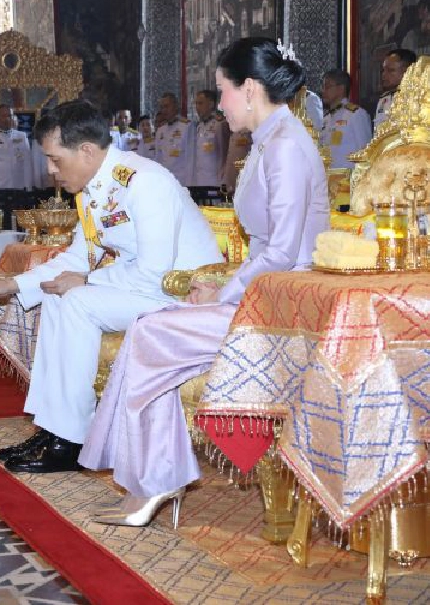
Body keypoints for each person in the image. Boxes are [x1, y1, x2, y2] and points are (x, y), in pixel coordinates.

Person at [79, 37, 330, 528]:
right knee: (151, 325)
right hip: (265, 294)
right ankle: (153, 479)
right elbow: (265, 249)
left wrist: (224, 292)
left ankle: (154, 482)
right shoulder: (270, 140)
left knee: (151, 331)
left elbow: (281, 251)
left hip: (289, 306)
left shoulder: (286, 145)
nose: (218, 103)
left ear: (250, 88)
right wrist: (221, 288)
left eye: (222, 90)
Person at [0, 99, 221, 474]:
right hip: (143, 289)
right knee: (57, 297)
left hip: (183, 294)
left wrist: (86, 279)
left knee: (76, 302)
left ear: (86, 150)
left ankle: (72, 439)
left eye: (56, 159)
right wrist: (10, 283)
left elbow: (154, 272)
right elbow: (78, 257)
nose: (52, 171)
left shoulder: (144, 182)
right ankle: (55, 429)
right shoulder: (92, 189)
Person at [320, 69, 372, 170]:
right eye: (323, 87)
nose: (323, 91)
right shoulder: (327, 118)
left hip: (348, 180)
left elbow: (365, 151)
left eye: (327, 87)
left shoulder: (356, 114)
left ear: (341, 88)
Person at [0, 105, 33, 189]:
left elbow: (27, 163)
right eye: (3, 116)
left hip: (19, 186)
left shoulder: (21, 136)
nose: (7, 119)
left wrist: (28, 187)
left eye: (9, 116)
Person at [189, 90, 230, 187]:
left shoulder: (219, 124)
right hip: (199, 181)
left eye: (200, 103)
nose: (197, 107)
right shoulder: (199, 126)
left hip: (215, 182)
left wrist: (223, 181)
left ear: (211, 104)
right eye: (196, 104)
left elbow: (225, 154)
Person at [154, 92, 194, 186]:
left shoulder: (186, 127)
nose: (164, 110)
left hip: (181, 183)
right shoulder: (160, 131)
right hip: (164, 183)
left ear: (176, 107)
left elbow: (190, 161)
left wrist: (190, 186)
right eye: (162, 107)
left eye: (167, 106)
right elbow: (158, 159)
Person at [375, 48, 417, 129]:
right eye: (383, 70)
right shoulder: (384, 100)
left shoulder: (418, 100)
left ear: (407, 71)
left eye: (390, 70)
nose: (384, 74)